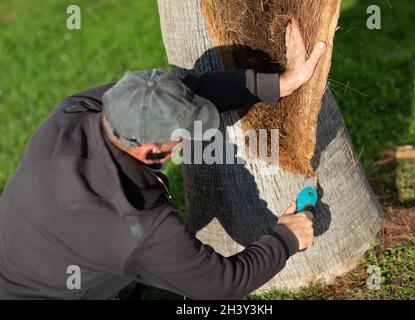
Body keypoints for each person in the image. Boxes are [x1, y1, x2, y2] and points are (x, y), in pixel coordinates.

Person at [0, 19, 326, 299]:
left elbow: (183, 90)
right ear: (150, 150)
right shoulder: (134, 224)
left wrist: (279, 83)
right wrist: (286, 237)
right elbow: (221, 284)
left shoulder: (76, 112)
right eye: (182, 134)